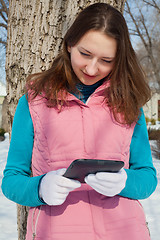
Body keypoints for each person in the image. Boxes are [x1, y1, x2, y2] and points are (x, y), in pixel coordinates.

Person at [1, 3, 157, 240]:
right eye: (85, 54)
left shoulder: (128, 103)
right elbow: (12, 179)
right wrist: (39, 188)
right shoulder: (34, 102)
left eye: (106, 60)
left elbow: (147, 176)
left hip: (124, 232)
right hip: (58, 232)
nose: (92, 68)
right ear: (69, 44)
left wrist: (126, 181)